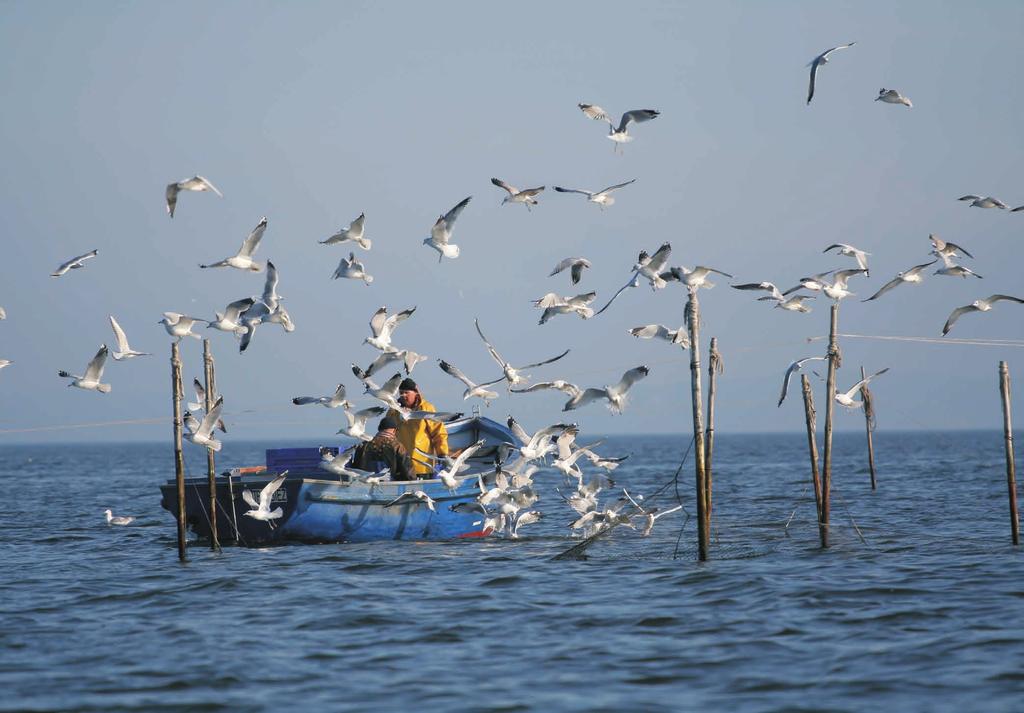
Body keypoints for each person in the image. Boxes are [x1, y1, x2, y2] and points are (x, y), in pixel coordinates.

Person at [387, 377, 449, 478]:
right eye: (401, 392)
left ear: (415, 392)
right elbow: (387, 433)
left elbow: (439, 433)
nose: (403, 395)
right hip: (400, 464)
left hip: (422, 465)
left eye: (407, 392)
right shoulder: (393, 410)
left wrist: (442, 455)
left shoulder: (426, 408)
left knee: (422, 493)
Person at [355, 415, 415, 481]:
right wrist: (413, 480)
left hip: (365, 482)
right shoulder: (397, 446)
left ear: (380, 429)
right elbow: (407, 469)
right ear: (394, 431)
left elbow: (355, 467)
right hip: (389, 484)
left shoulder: (364, 444)